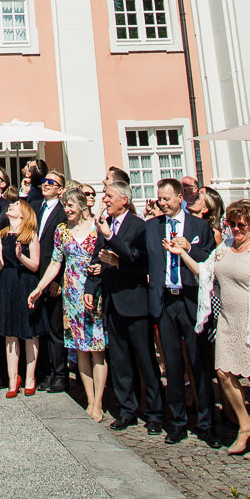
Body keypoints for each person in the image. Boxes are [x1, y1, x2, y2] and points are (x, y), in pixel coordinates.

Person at [198, 200, 250, 461]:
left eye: (241, 225)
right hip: (227, 320)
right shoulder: (225, 248)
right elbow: (204, 272)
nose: (236, 229)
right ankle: (245, 425)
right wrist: (183, 252)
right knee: (223, 372)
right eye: (232, 224)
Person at [30, 186, 108, 423]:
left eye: (70, 206)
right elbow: (55, 263)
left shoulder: (97, 226)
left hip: (94, 292)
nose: (67, 210)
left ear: (82, 205)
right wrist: (39, 288)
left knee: (97, 349)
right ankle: (89, 398)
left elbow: (108, 256)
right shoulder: (62, 231)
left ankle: (99, 402)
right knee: (81, 349)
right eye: (64, 206)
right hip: (72, 295)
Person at [150, 177, 217, 444]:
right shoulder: (152, 227)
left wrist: (190, 247)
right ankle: (177, 422)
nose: (162, 203)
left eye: (167, 199)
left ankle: (207, 422)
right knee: (173, 365)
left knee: (200, 364)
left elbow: (211, 258)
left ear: (180, 198)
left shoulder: (199, 226)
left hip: (190, 298)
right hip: (165, 300)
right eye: (160, 199)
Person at [94, 182, 159, 435]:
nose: (105, 200)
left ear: (124, 199)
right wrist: (92, 285)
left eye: (110, 196)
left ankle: (154, 412)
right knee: (120, 360)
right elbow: (98, 256)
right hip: (112, 300)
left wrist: (111, 238)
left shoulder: (139, 226)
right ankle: (126, 410)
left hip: (134, 301)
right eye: (105, 196)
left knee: (144, 359)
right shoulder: (104, 225)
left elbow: (136, 259)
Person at [0, 201, 42, 397]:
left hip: (26, 283)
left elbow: (35, 265)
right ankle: (13, 379)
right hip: (7, 282)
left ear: (23, 214)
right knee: (10, 335)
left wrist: (21, 257)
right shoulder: (2, 235)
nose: (11, 206)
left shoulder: (30, 235)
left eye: (16, 204)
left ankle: (30, 377)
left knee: (29, 333)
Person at [29, 168, 68, 392]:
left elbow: (63, 250)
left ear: (60, 190)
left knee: (55, 329)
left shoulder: (64, 211)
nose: (46, 184)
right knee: (39, 326)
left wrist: (58, 280)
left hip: (53, 277)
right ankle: (44, 372)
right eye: (45, 181)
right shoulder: (36, 208)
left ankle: (60, 374)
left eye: (52, 182)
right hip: (35, 276)